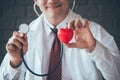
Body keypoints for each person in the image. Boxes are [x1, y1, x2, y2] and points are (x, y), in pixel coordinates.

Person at [0, 0, 120, 80]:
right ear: (35, 0)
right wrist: (15, 62)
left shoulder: (95, 32)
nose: (52, 0)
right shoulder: (24, 37)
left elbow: (116, 75)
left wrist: (94, 48)